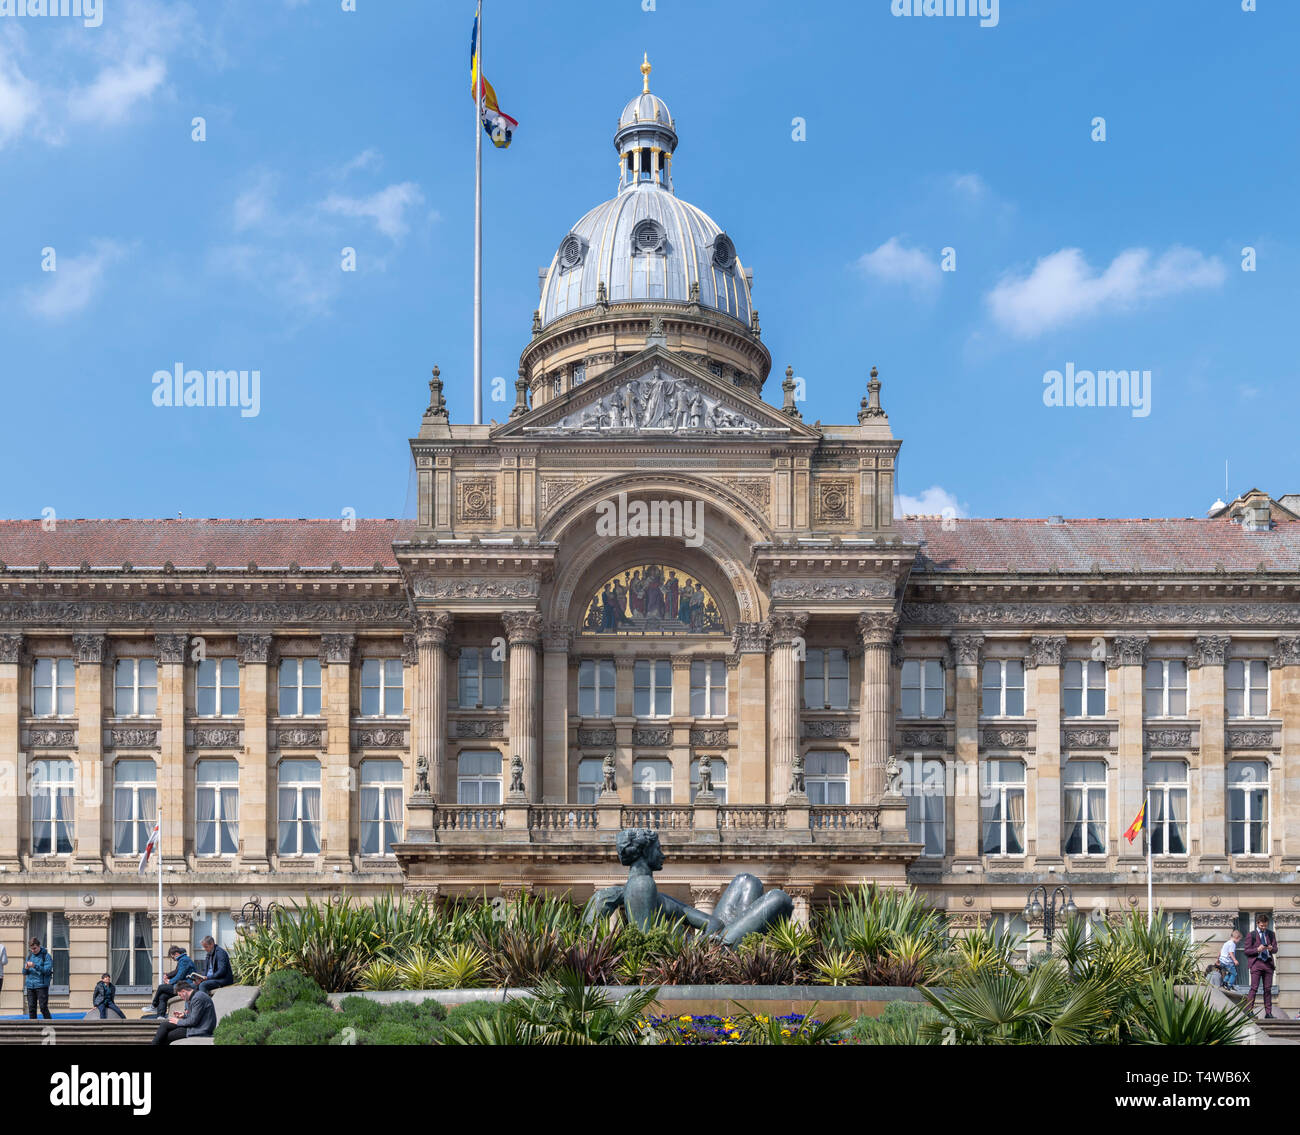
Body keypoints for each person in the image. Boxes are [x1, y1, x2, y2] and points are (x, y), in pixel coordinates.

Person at [151, 982, 216, 1046]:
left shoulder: (198, 998)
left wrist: (178, 1021)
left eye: (180, 995)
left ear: (184, 991)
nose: (181, 997)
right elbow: (195, 1017)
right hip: (196, 1026)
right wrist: (184, 1015)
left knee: (166, 1037)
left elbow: (193, 1021)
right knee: (164, 1025)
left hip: (200, 1029)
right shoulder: (195, 996)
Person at [142, 945, 195, 1019]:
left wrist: (170, 981)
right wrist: (169, 977)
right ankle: (160, 1016)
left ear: (176, 954)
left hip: (185, 986)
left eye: (172, 957)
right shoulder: (182, 960)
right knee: (163, 996)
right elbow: (177, 972)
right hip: (181, 985)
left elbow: (180, 975)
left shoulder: (184, 960)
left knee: (161, 987)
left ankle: (154, 1006)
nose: (173, 959)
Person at [1243, 914, 1279, 1018]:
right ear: (1257, 923)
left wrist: (1271, 948)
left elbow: (1276, 949)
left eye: (1265, 926)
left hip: (1268, 964)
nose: (1263, 928)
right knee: (1254, 988)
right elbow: (1247, 951)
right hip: (1256, 963)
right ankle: (1249, 1011)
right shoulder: (1251, 935)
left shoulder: (1271, 934)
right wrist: (1257, 950)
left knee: (1268, 989)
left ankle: (1268, 1013)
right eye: (1262, 926)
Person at [23, 936, 53, 1020]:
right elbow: (24, 972)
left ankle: (50, 1026)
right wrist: (26, 968)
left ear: (39, 946)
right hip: (30, 986)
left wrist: (35, 966)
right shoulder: (29, 956)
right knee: (31, 1009)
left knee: (43, 1007)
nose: (33, 951)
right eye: (31, 949)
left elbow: (47, 970)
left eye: (35, 948)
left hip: (41, 986)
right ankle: (32, 1030)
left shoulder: (46, 956)